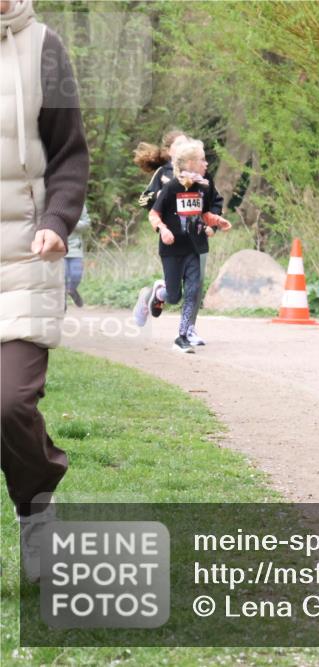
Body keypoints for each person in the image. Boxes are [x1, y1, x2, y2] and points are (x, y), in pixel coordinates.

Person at [0, 0, 89, 581]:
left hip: (22, 258)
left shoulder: (43, 48)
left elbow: (69, 155)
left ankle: (36, 512)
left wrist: (56, 222)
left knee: (7, 401)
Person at [132, 139, 232, 353]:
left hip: (196, 242)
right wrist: (158, 199)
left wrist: (214, 224)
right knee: (175, 295)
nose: (206, 163)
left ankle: (184, 334)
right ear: (173, 152)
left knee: (194, 289)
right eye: (178, 144)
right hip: (171, 241)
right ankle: (160, 292)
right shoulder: (163, 175)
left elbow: (213, 203)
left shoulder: (204, 181)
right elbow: (143, 201)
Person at [64, 203, 89, 308]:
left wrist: (72, 224)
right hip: (59, 248)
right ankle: (62, 303)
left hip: (75, 248)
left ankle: (72, 290)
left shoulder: (79, 204)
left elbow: (86, 223)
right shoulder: (54, 200)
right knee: (61, 277)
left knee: (76, 275)